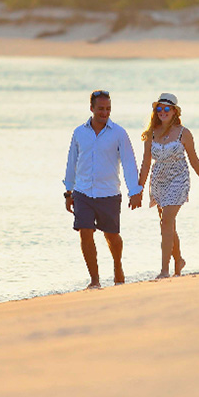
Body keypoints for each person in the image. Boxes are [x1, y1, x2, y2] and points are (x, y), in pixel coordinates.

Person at [63, 90, 144, 289]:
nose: (104, 112)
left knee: (111, 235)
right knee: (85, 232)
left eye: (108, 109)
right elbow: (72, 162)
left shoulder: (118, 133)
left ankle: (117, 265)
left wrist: (135, 190)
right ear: (91, 108)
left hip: (109, 193)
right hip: (83, 192)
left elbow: (129, 162)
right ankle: (95, 280)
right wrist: (68, 191)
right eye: (100, 109)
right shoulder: (79, 132)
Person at [138, 93, 199, 279]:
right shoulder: (151, 133)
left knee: (167, 222)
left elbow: (194, 159)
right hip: (158, 181)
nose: (162, 112)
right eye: (159, 108)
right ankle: (178, 260)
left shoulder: (183, 133)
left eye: (166, 109)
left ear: (174, 112)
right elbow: (146, 163)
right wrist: (138, 189)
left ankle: (164, 270)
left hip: (179, 178)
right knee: (167, 224)